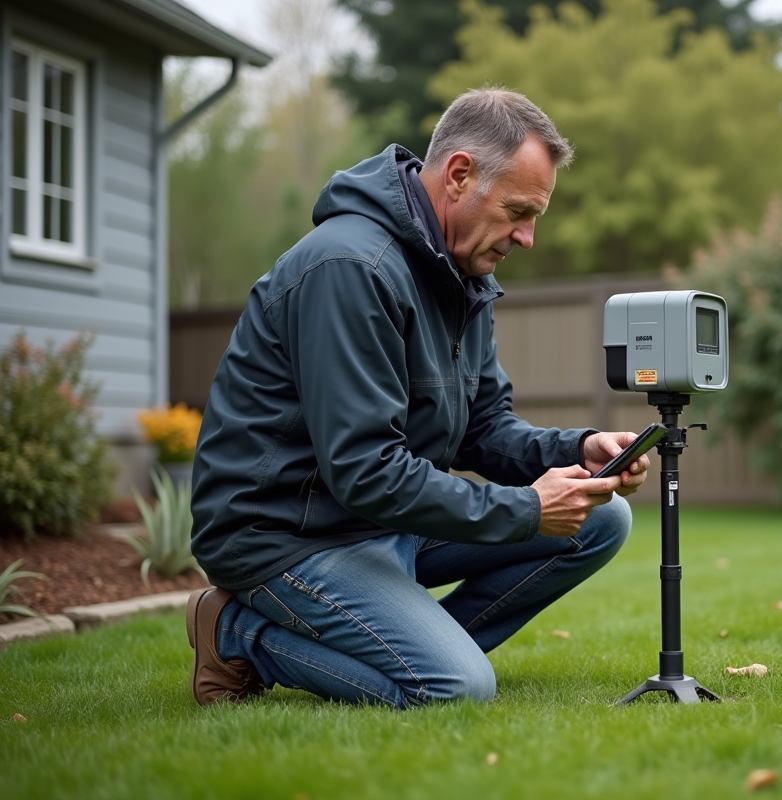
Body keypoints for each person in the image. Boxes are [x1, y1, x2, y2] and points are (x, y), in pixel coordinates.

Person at [185, 89, 649, 709]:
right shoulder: (350, 267)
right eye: (518, 210)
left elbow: (483, 429)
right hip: (285, 531)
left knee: (602, 519)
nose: (527, 237)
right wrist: (525, 509)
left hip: (375, 518)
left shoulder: (463, 276)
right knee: (454, 687)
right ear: (459, 176)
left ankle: (415, 648)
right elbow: (363, 468)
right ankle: (237, 632)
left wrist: (580, 450)